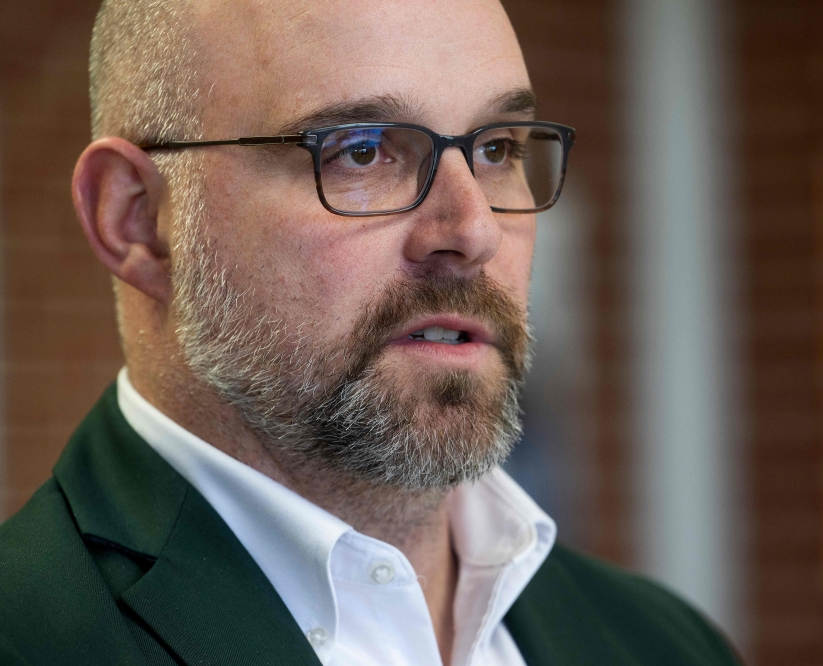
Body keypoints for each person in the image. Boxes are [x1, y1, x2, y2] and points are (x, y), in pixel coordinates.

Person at [0, 0, 741, 664]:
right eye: (361, 150)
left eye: (498, 149)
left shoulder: (665, 642)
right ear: (135, 217)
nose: (472, 230)